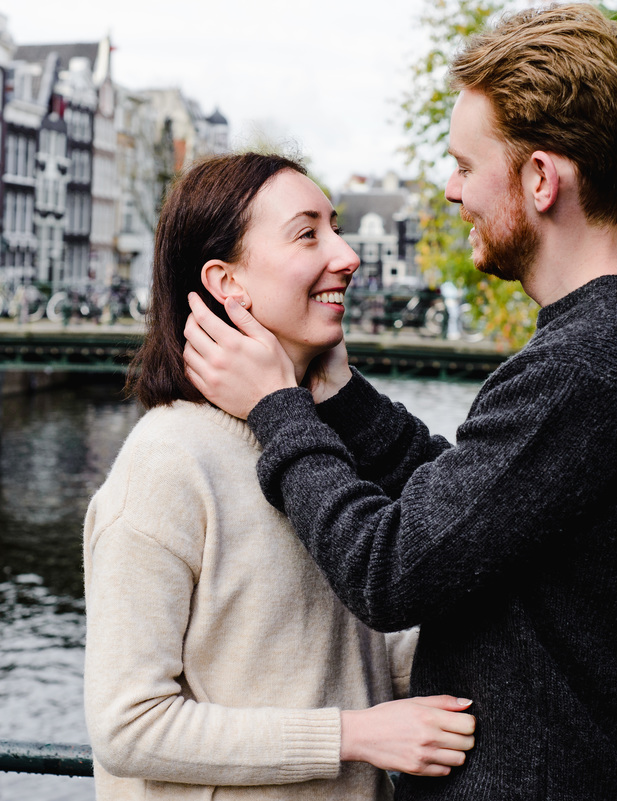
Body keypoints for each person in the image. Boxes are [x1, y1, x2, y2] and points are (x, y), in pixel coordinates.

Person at [183, 5, 617, 801]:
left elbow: (391, 570)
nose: (451, 187)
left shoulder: (587, 362)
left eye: (466, 163)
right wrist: (344, 398)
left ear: (540, 179)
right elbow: (481, 509)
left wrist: (275, 407)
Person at [83, 152, 476, 801]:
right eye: (308, 233)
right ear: (226, 282)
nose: (347, 255)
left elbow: (330, 657)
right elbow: (127, 725)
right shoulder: (168, 462)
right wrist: (352, 735)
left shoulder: (316, 443)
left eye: (337, 227)